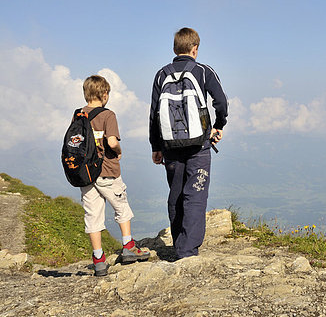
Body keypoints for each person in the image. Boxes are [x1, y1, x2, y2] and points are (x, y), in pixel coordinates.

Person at [149, 27, 228, 260]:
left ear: (175, 49)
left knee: (175, 195)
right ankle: (187, 251)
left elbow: (154, 113)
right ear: (195, 49)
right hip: (199, 146)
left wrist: (155, 146)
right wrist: (219, 125)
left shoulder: (161, 74)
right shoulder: (203, 71)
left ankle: (178, 243)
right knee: (195, 194)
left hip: (170, 147)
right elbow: (221, 102)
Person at [80, 75, 150, 276]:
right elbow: (111, 142)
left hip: (86, 175)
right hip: (107, 171)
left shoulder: (78, 115)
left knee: (93, 216)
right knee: (122, 208)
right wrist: (118, 150)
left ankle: (99, 260)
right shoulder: (107, 115)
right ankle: (128, 247)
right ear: (104, 94)